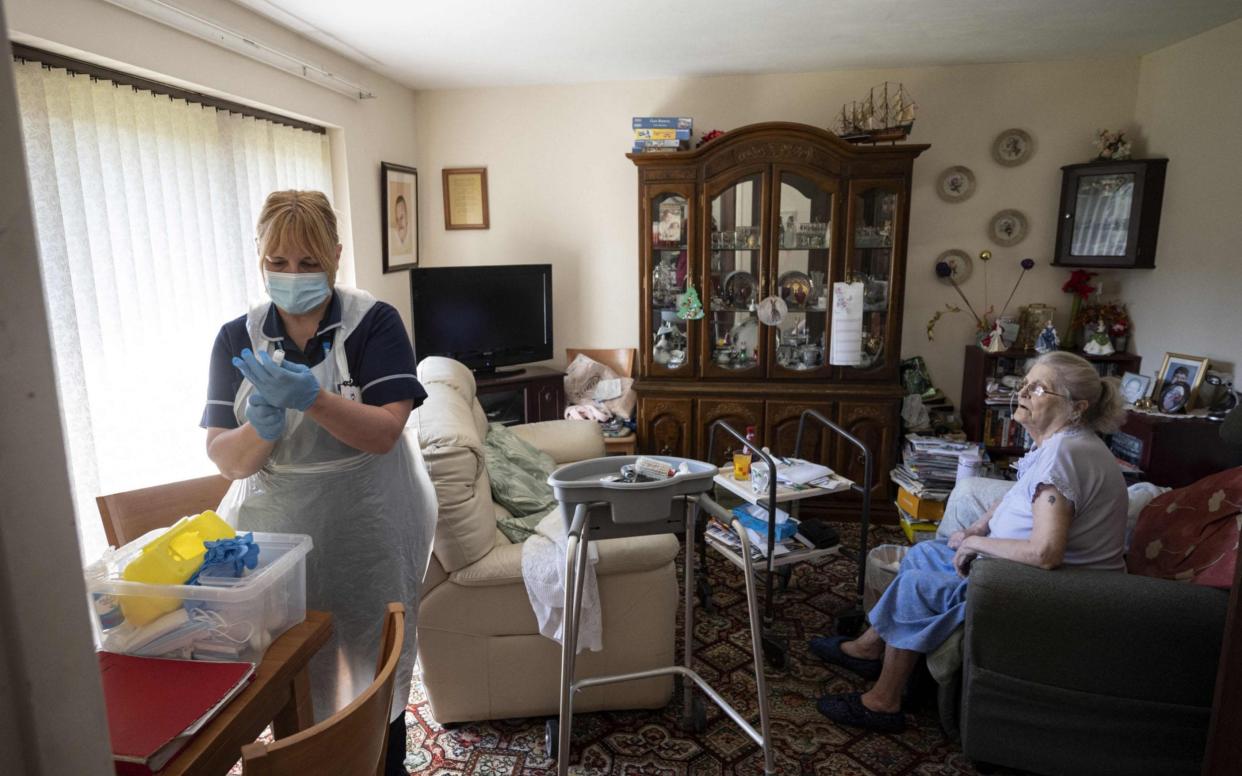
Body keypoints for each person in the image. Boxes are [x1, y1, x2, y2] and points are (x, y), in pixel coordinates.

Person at [202, 190, 434, 775]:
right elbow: (227, 460)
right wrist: (261, 426)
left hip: (367, 527)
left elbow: (384, 431)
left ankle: (383, 764)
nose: (292, 275)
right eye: (277, 262)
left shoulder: (373, 324)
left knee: (370, 671)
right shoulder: (237, 337)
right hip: (276, 537)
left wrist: (314, 398)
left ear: (334, 255)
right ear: (260, 259)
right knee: (285, 670)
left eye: (308, 262)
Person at [809, 351, 1128, 732]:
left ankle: (883, 703)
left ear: (1077, 408)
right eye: (1025, 383)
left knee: (919, 582)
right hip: (1026, 573)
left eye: (1039, 388)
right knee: (924, 553)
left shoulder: (1067, 456)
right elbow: (1020, 495)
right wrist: (978, 526)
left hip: (1050, 591)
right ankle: (869, 647)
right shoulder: (1061, 445)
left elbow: (1046, 552)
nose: (1023, 392)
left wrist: (977, 546)